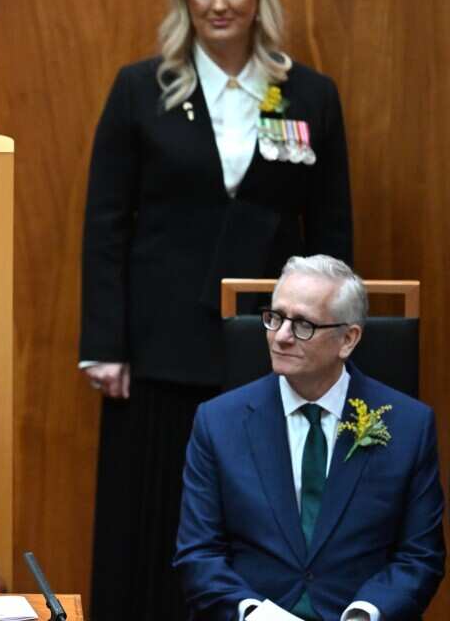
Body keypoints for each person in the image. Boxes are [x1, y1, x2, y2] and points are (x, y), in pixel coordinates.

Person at [80, 0, 353, 620]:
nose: (219, 3)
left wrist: (333, 340)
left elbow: (331, 229)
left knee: (260, 508)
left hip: (272, 344)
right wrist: (105, 344)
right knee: (154, 514)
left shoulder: (307, 96)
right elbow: (107, 226)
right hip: (159, 345)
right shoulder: (143, 88)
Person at [175, 255, 445, 620]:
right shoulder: (217, 422)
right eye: (275, 317)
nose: (282, 336)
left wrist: (366, 614)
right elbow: (198, 555)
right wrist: (256, 614)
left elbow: (420, 557)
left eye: (302, 324)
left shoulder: (409, 426)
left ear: (347, 339)